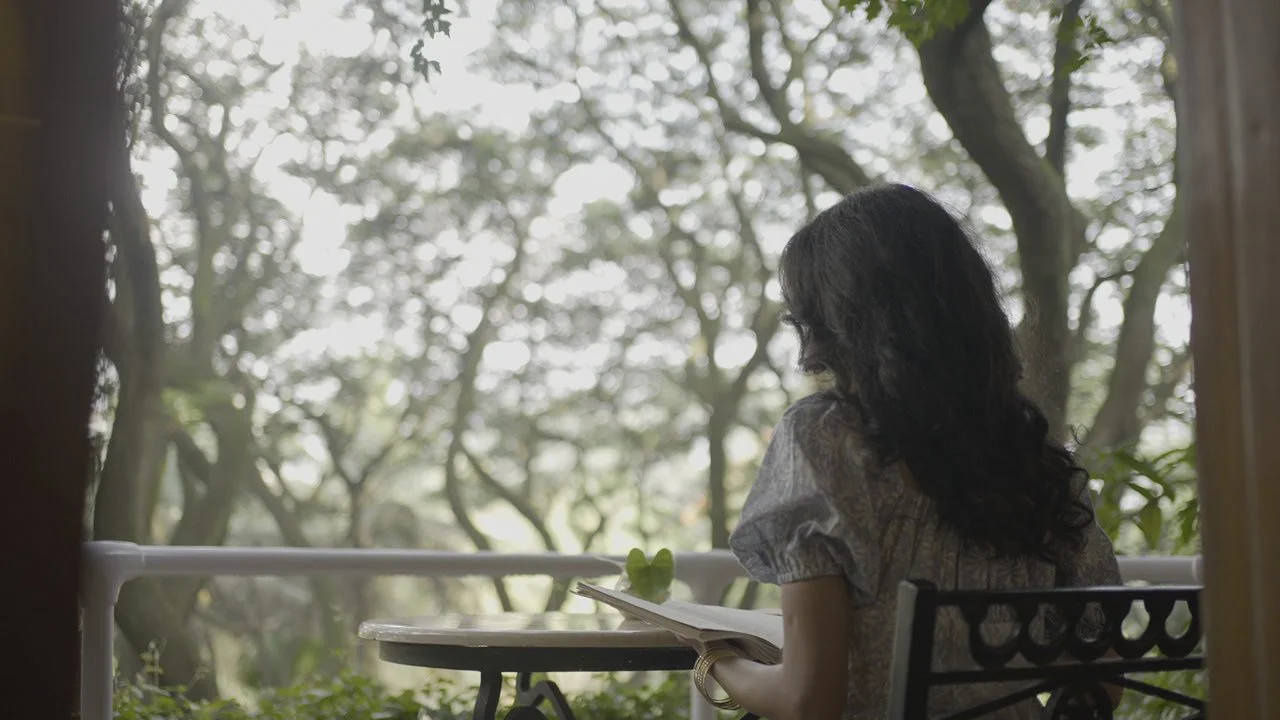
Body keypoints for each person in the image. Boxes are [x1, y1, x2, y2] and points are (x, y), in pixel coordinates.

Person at [682, 184, 1122, 720]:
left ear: (833, 321)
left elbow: (809, 702)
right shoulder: (1044, 465)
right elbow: (1100, 681)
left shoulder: (825, 441)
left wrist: (716, 658)